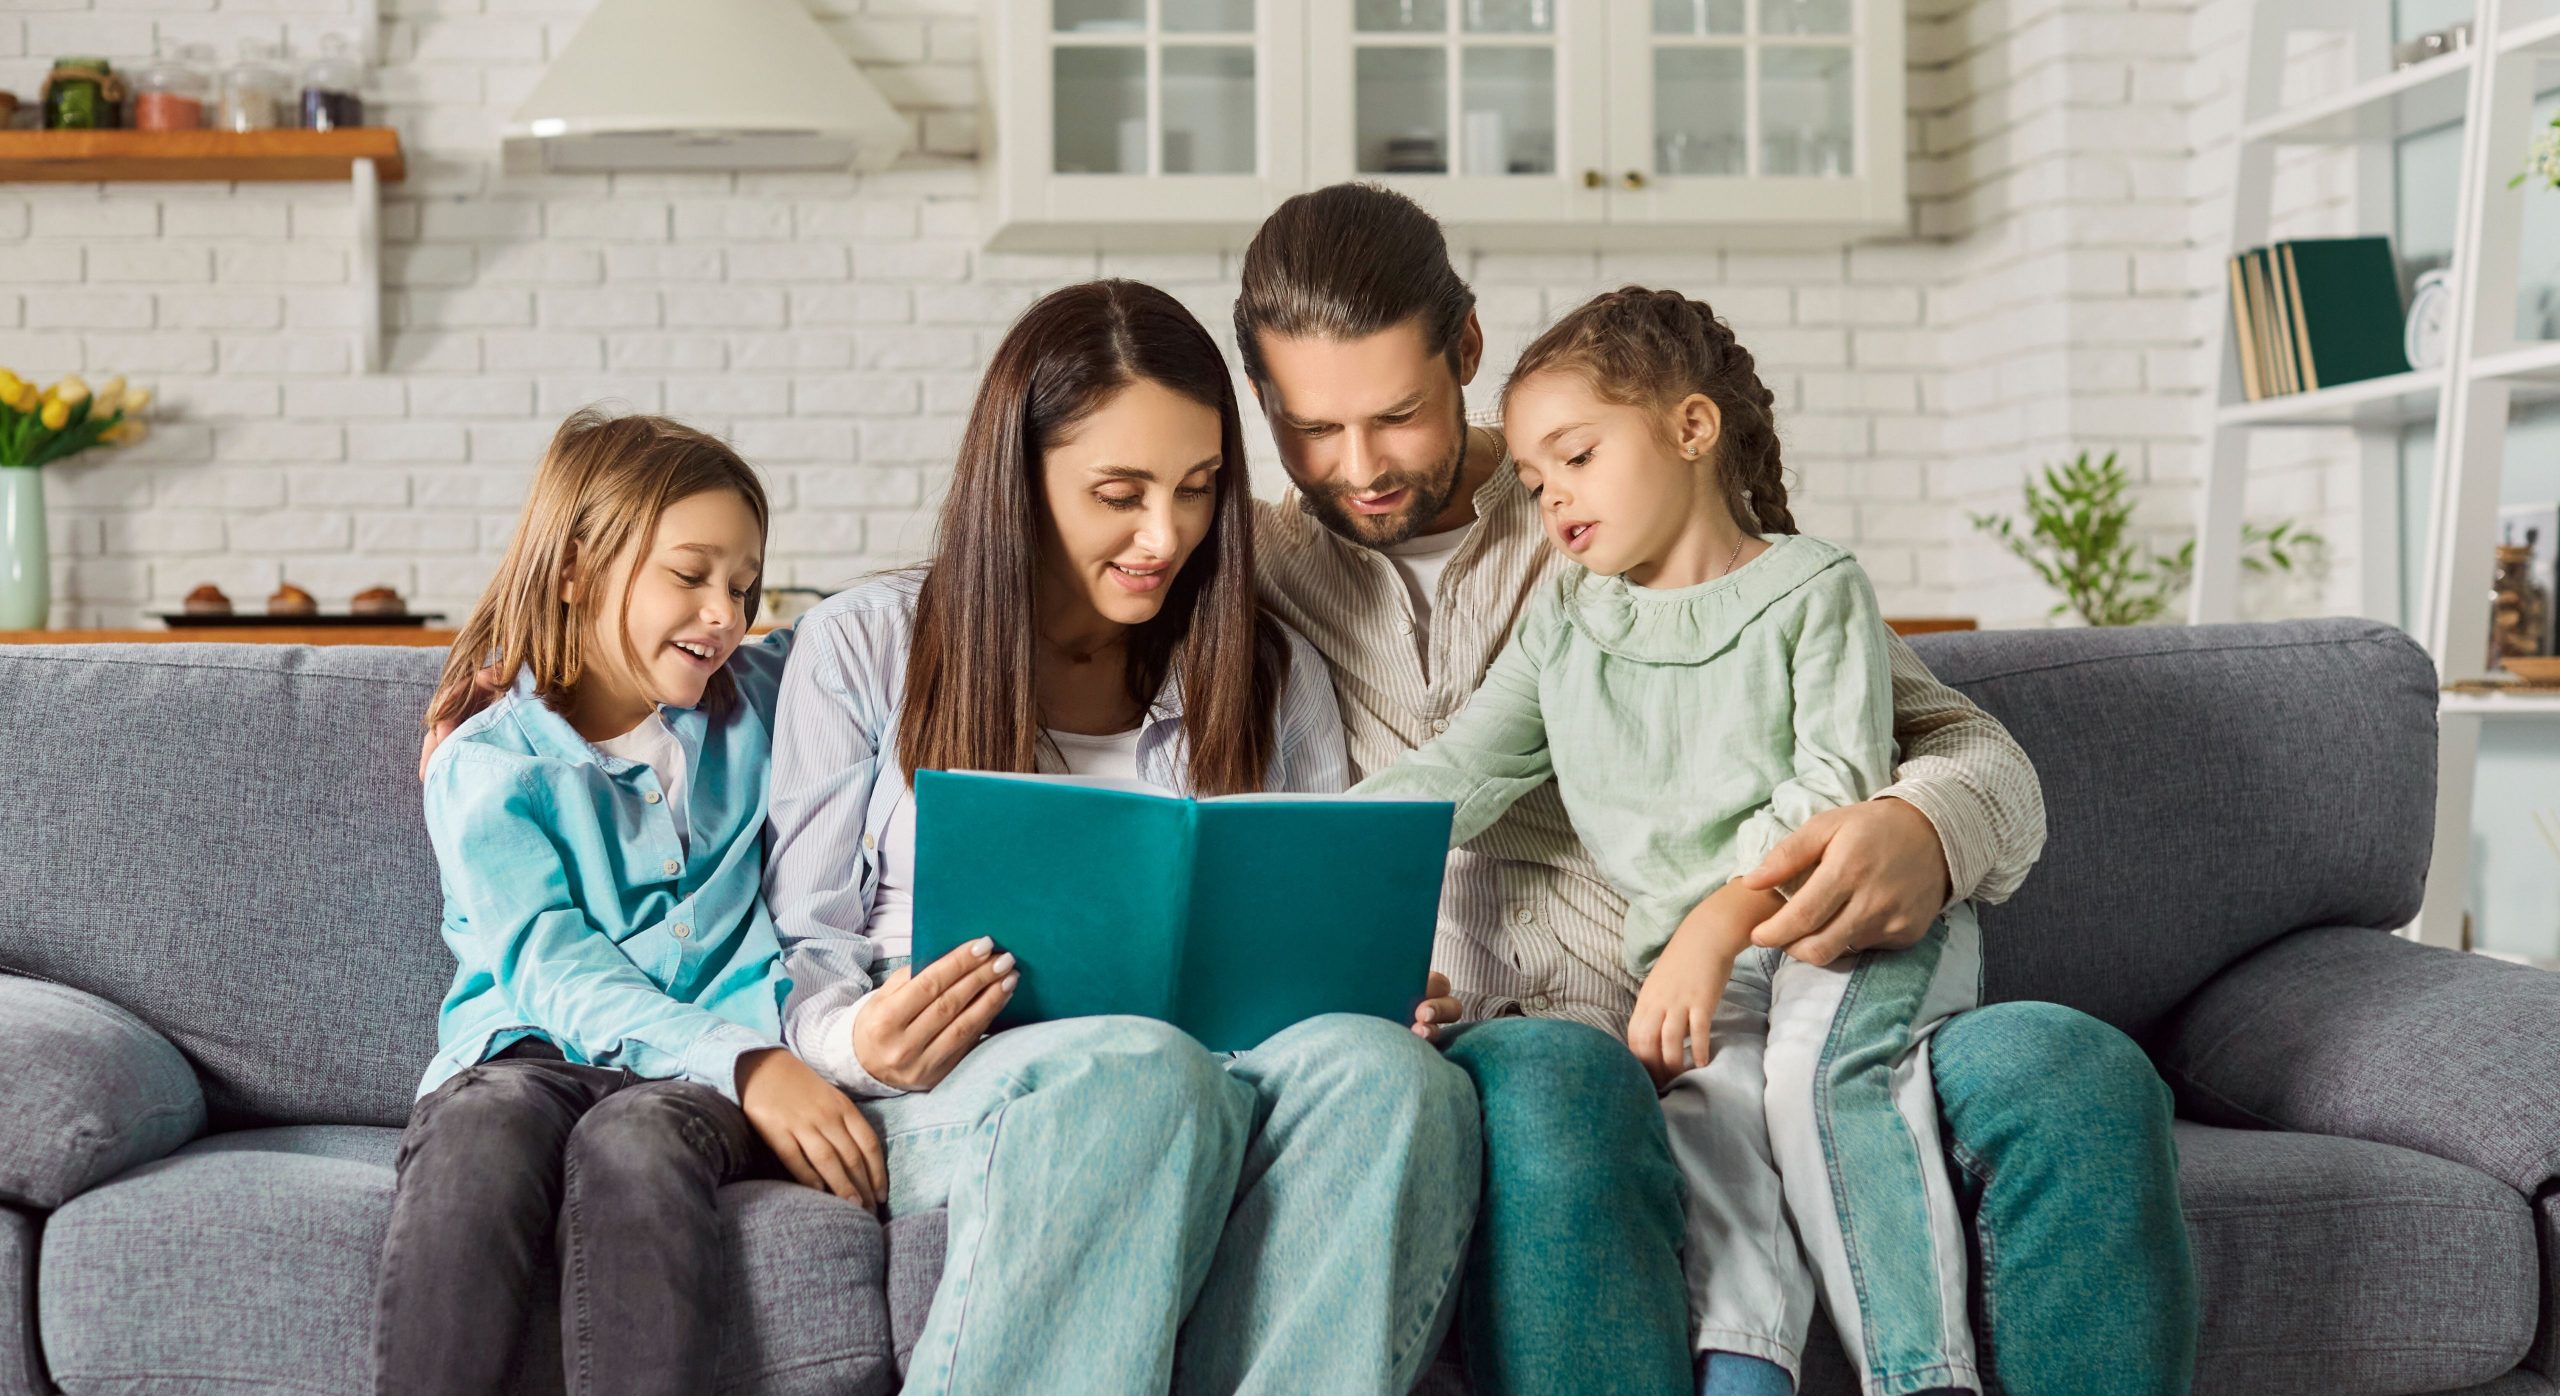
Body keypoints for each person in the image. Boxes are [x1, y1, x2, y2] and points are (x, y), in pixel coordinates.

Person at [1233, 182, 2198, 1395]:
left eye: (1398, 415)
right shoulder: (1241, 567)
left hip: (1766, 970)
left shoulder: (1614, 502)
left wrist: (1919, 826)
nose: (1360, 466)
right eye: (1311, 431)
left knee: (2072, 1069)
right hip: (1517, 1032)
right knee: (1567, 1092)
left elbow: (1966, 748)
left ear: (1465, 352)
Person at [762, 278, 1480, 1395]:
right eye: (1119, 492)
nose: (1166, 535)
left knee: (1395, 1077)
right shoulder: (863, 646)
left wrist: (1378, 984)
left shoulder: (1267, 668)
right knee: (1143, 1069)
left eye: (1197, 490)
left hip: (1228, 1073)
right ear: (1020, 477)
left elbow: (1310, 920)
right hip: (962, 1095)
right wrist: (863, 1041)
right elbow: (794, 954)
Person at [1360, 285, 1985, 1396]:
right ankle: (1745, 1376)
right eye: (1538, 483)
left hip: (1839, 930)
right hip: (1695, 973)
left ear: (1691, 430)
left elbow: (1835, 791)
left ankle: (1921, 1375)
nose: (1553, 501)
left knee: (1810, 1081)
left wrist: (1716, 920)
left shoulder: (1812, 585)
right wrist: (1290, 850)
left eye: (1577, 459)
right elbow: (1461, 771)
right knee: (1709, 1136)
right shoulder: (1566, 617)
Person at [379, 410, 880, 1396]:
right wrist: (752, 1062)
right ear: (574, 568)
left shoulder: (767, 697)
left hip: (694, 1085)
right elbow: (553, 967)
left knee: (637, 1138)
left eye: (743, 585)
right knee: (483, 1128)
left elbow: (890, 618)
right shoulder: (489, 765)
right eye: (690, 575)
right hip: (531, 1048)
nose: (725, 614)